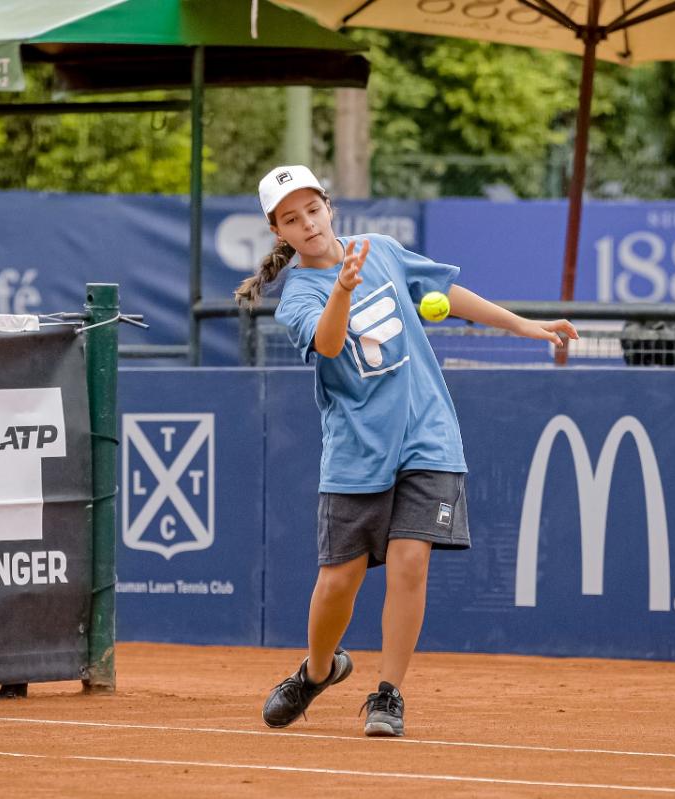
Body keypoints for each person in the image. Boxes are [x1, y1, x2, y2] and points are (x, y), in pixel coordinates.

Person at [235, 165, 578, 738]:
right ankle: (319, 671)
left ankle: (388, 695)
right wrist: (342, 287)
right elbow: (328, 342)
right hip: (355, 452)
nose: (308, 224)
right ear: (279, 231)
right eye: (291, 219)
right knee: (337, 584)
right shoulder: (297, 294)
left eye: (313, 210)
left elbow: (446, 293)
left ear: (328, 207)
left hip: (428, 435)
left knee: (411, 561)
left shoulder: (382, 251)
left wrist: (524, 326)